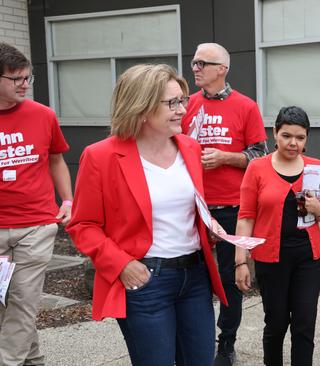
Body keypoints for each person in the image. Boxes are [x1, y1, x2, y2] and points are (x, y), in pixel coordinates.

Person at [66, 64, 229, 366]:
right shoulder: (101, 156)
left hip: (194, 277)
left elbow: (185, 208)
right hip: (146, 282)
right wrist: (123, 265)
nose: (182, 109)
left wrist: (208, 225)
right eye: (172, 103)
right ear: (141, 108)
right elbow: (83, 225)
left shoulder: (190, 148)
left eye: (183, 100)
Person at [181, 42, 268, 366]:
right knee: (195, 279)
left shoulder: (245, 106)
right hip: (193, 207)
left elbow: (260, 155)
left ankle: (226, 343)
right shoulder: (185, 105)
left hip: (232, 207)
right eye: (194, 62)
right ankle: (197, 339)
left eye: (203, 63)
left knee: (232, 280)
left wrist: (226, 158)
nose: (195, 68)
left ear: (222, 69)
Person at [234, 106, 320, 366]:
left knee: (304, 324)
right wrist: (241, 261)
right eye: (287, 135)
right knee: (276, 323)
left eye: (300, 138)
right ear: (274, 133)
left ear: (307, 138)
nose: (293, 143)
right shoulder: (257, 168)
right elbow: (245, 217)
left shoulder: (316, 167)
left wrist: (318, 208)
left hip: (307, 257)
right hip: (270, 258)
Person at [0, 42, 73, 366]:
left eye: (28, 77)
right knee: (8, 308)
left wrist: (68, 200)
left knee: (22, 304)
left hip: (36, 226)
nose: (25, 84)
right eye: (16, 78)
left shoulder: (43, 115)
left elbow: (56, 159)